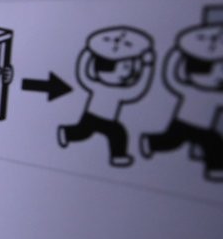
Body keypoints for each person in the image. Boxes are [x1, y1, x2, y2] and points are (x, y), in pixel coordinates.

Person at [57, 26, 153, 167]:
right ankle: (66, 133)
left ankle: (118, 156)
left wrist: (147, 67)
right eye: (126, 67)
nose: (128, 72)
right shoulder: (99, 86)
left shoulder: (117, 91)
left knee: (117, 134)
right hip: (91, 116)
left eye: (129, 67)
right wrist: (88, 52)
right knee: (84, 133)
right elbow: (83, 74)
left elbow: (138, 89)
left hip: (107, 120)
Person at [140, 23, 223, 180]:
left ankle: (216, 169)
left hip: (202, 128)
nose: (219, 77)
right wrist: (177, 52)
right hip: (181, 124)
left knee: (213, 143)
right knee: (172, 142)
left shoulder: (214, 96)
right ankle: (150, 142)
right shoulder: (189, 90)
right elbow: (171, 77)